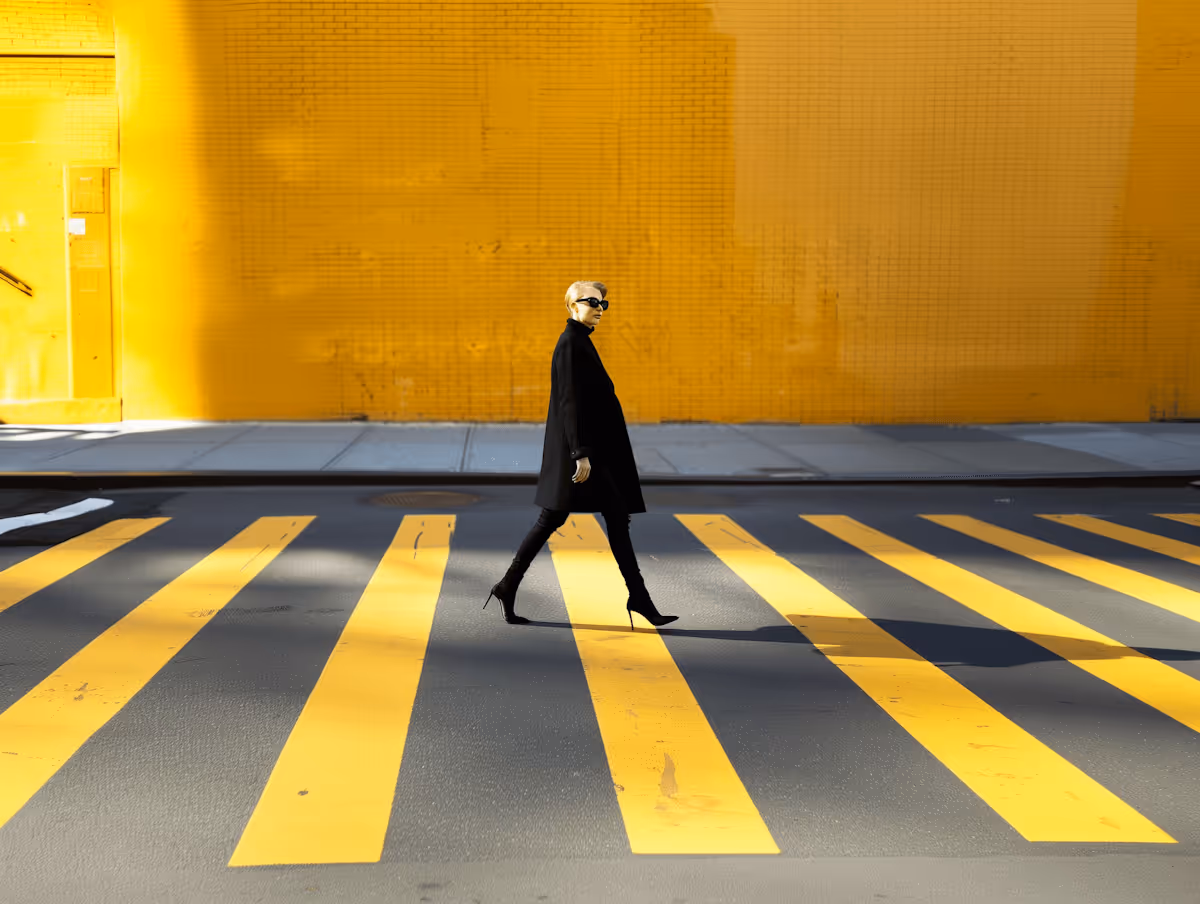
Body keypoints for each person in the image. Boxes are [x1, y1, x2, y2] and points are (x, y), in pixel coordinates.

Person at [484, 280, 678, 630]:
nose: (600, 308)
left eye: (604, 303)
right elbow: (569, 401)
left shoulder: (580, 341)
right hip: (583, 452)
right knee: (554, 519)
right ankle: (507, 585)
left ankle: (639, 598)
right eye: (592, 302)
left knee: (611, 518)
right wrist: (580, 453)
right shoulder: (571, 343)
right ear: (572, 305)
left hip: (595, 449)